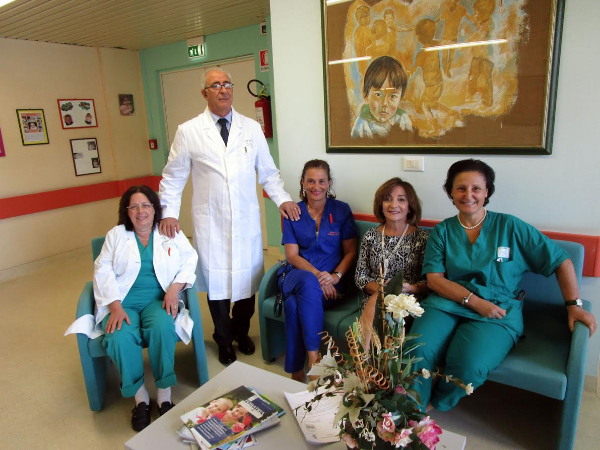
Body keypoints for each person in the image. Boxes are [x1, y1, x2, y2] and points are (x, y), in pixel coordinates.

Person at [411, 159, 597, 412]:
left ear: (487, 192)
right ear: (450, 192)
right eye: (461, 188)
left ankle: (434, 404)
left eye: (476, 188)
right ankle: (411, 408)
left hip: (497, 311)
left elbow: (560, 261)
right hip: (447, 303)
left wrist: (574, 306)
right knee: (415, 350)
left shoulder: (511, 227)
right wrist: (474, 301)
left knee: (468, 366)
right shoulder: (442, 231)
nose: (468, 195)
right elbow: (434, 279)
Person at [158, 68, 300, 366]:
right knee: (217, 287)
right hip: (211, 223)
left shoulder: (251, 128)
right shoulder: (189, 131)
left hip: (245, 222)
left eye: (227, 84)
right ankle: (224, 340)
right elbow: (173, 177)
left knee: (248, 284)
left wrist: (283, 199)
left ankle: (241, 331)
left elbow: (268, 171)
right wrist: (168, 212)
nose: (223, 89)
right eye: (215, 85)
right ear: (204, 93)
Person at [92, 185, 198, 431]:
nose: (141, 211)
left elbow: (190, 259)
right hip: (122, 302)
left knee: (162, 327)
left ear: (154, 208)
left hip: (158, 299)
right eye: (134, 206)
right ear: (127, 211)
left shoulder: (168, 231)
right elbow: (102, 270)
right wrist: (114, 306)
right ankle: (140, 398)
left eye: (146, 205)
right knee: (118, 336)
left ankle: (164, 394)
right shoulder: (116, 235)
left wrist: (174, 289)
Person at [279, 160, 357, 382]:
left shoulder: (341, 210)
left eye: (321, 181)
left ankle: (296, 369)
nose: (316, 186)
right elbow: (292, 256)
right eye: (311, 181)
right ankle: (314, 358)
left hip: (333, 283)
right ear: (303, 183)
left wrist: (335, 277)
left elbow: (351, 251)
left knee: (293, 304)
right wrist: (318, 277)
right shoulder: (293, 212)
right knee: (307, 282)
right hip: (297, 276)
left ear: (329, 183)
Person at [355, 178, 429, 350]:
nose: (393, 205)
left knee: (396, 310)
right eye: (387, 199)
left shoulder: (423, 238)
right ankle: (365, 359)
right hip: (375, 297)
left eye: (401, 199)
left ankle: (373, 359)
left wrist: (410, 288)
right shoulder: (370, 236)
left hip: (408, 300)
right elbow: (360, 276)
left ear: (410, 206)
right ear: (380, 204)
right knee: (378, 300)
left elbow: (429, 282)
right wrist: (383, 290)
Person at [351, 56, 412, 139]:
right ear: (366, 94)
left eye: (393, 96)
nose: (384, 103)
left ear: (400, 98)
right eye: (378, 95)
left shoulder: (403, 119)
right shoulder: (362, 125)